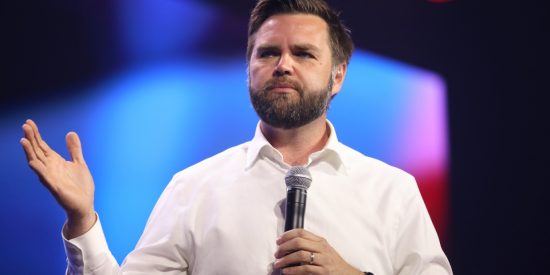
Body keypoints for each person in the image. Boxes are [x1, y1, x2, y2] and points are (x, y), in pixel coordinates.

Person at [20, 0, 452, 274]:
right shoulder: (194, 188)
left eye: (303, 53)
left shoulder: (393, 192)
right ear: (248, 69)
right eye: (268, 53)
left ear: (338, 74)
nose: (283, 65)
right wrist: (83, 221)